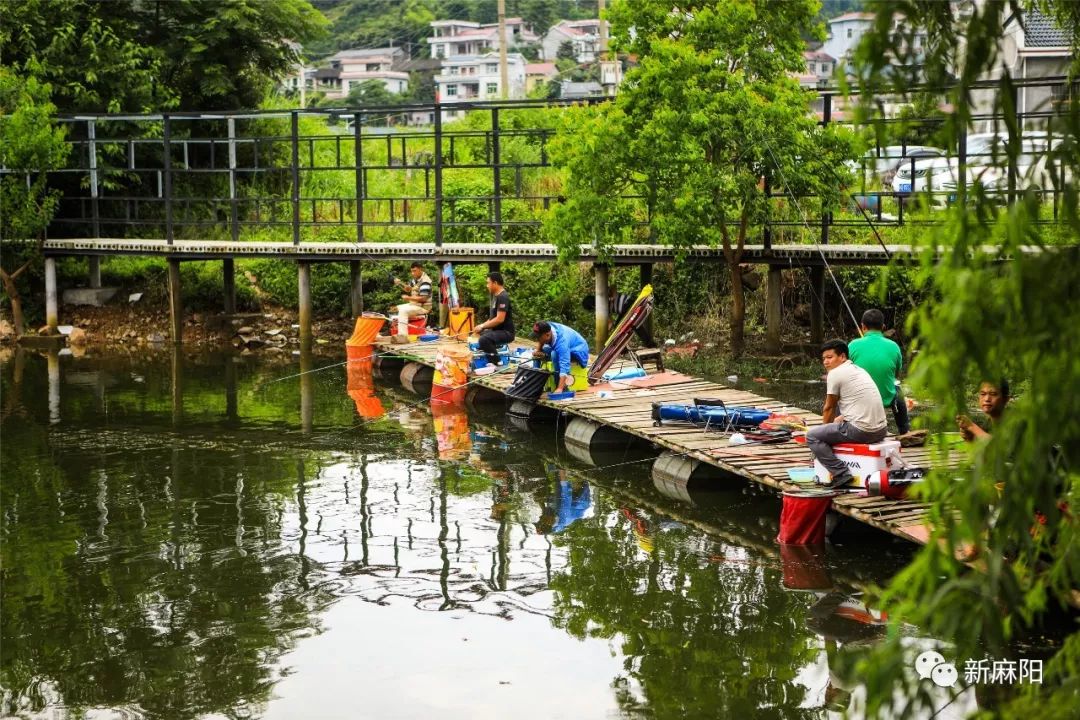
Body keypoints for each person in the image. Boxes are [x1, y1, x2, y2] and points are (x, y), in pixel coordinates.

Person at [806, 339, 889, 487]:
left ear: (843, 357)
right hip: (881, 431)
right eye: (823, 358)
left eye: (830, 357)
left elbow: (828, 408)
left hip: (863, 432)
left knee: (812, 436)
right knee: (837, 421)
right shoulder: (859, 370)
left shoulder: (835, 374)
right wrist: (836, 422)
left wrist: (823, 431)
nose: (825, 362)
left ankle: (841, 474)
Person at [848, 308, 909, 434]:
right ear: (883, 327)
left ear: (863, 327)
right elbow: (896, 374)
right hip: (886, 398)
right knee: (898, 392)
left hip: (859, 399)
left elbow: (846, 373)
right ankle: (904, 430)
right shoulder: (894, 346)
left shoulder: (852, 345)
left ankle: (841, 425)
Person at [531, 320, 590, 393]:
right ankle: (535, 384)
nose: (537, 339)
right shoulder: (546, 327)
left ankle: (560, 385)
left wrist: (560, 388)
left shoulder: (562, 342)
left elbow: (565, 365)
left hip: (578, 352)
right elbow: (541, 341)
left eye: (538, 337)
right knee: (536, 354)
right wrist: (538, 350)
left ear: (547, 335)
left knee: (554, 354)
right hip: (565, 347)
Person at [471, 271, 514, 365]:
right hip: (497, 331)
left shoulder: (503, 297)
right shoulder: (496, 297)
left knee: (484, 339)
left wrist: (482, 326)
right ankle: (488, 355)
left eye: (488, 283)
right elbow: (492, 318)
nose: (487, 286)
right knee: (480, 333)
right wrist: (480, 327)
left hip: (506, 332)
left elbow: (499, 319)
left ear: (495, 283)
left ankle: (498, 362)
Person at [392, 262, 432, 335]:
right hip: (414, 305)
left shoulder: (425, 281)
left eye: (414, 271)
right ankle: (393, 331)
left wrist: (408, 298)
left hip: (423, 307)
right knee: (394, 308)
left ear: (420, 269)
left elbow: (423, 299)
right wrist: (399, 283)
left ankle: (402, 336)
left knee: (403, 311)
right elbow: (408, 289)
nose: (412, 273)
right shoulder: (415, 279)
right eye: (412, 271)